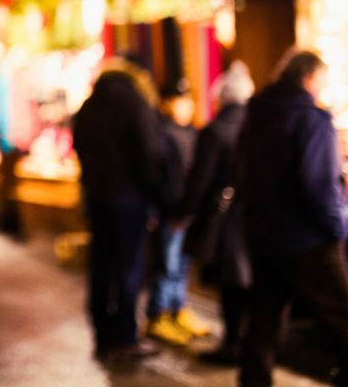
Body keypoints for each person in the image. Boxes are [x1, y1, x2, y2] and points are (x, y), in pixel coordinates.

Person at [238, 50, 348, 387]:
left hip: (265, 233)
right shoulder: (310, 119)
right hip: (308, 239)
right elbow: (318, 184)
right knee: (343, 315)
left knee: (264, 322)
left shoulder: (256, 114)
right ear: (310, 78)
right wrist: (338, 227)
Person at [71, 59, 163, 361]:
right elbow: (148, 153)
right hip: (129, 197)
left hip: (97, 197)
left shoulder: (88, 107)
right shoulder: (135, 103)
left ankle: (103, 333)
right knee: (129, 266)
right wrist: (153, 194)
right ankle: (125, 335)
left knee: (101, 264)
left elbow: (79, 148)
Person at [177, 60, 254, 364]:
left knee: (230, 282)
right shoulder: (259, 126)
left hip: (224, 216)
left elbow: (200, 179)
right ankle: (247, 342)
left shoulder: (215, 131)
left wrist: (184, 213)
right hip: (256, 213)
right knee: (249, 281)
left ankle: (233, 342)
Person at [146, 77, 210, 346]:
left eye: (188, 100)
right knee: (167, 264)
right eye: (179, 100)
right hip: (169, 212)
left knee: (182, 264)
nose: (185, 106)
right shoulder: (159, 134)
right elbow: (157, 178)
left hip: (188, 210)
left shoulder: (194, 134)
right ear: (166, 104)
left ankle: (177, 309)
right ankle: (158, 315)